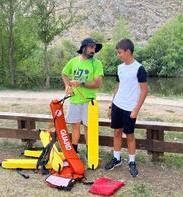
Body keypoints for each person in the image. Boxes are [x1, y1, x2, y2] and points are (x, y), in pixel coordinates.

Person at [104, 38, 148, 177]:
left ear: (128, 51)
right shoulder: (120, 68)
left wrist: (136, 110)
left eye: (120, 52)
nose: (118, 55)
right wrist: (111, 106)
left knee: (129, 135)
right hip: (118, 105)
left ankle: (132, 162)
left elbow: (144, 91)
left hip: (130, 108)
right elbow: (117, 86)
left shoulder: (139, 68)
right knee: (117, 132)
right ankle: (117, 159)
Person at [61, 38, 104, 153]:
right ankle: (74, 153)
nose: (93, 50)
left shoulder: (97, 64)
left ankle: (90, 154)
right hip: (75, 100)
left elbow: (97, 84)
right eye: (91, 47)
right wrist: (67, 86)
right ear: (83, 48)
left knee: (88, 128)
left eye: (94, 48)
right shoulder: (74, 61)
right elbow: (64, 73)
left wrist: (82, 83)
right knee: (75, 127)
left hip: (89, 102)